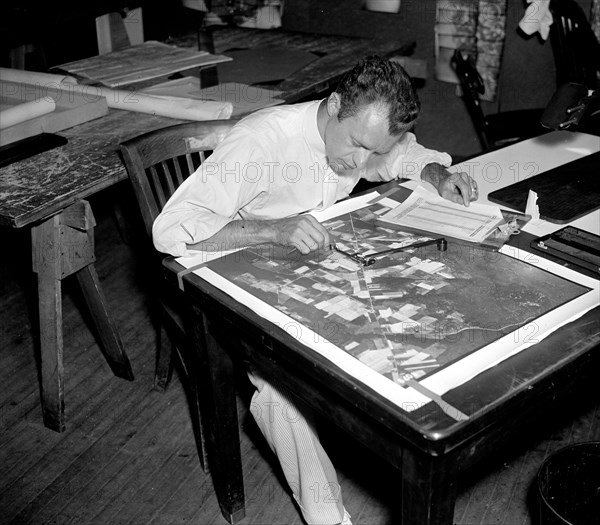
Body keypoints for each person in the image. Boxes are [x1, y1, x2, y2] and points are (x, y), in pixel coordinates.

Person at [153, 55, 478, 525]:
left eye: (372, 151)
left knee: (419, 324)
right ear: (334, 104)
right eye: (359, 146)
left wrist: (437, 175)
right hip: (241, 272)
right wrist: (272, 230)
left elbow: (401, 154)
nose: (361, 163)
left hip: (314, 264)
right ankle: (329, 518)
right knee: (281, 393)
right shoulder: (262, 141)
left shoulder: (359, 136)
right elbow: (172, 230)